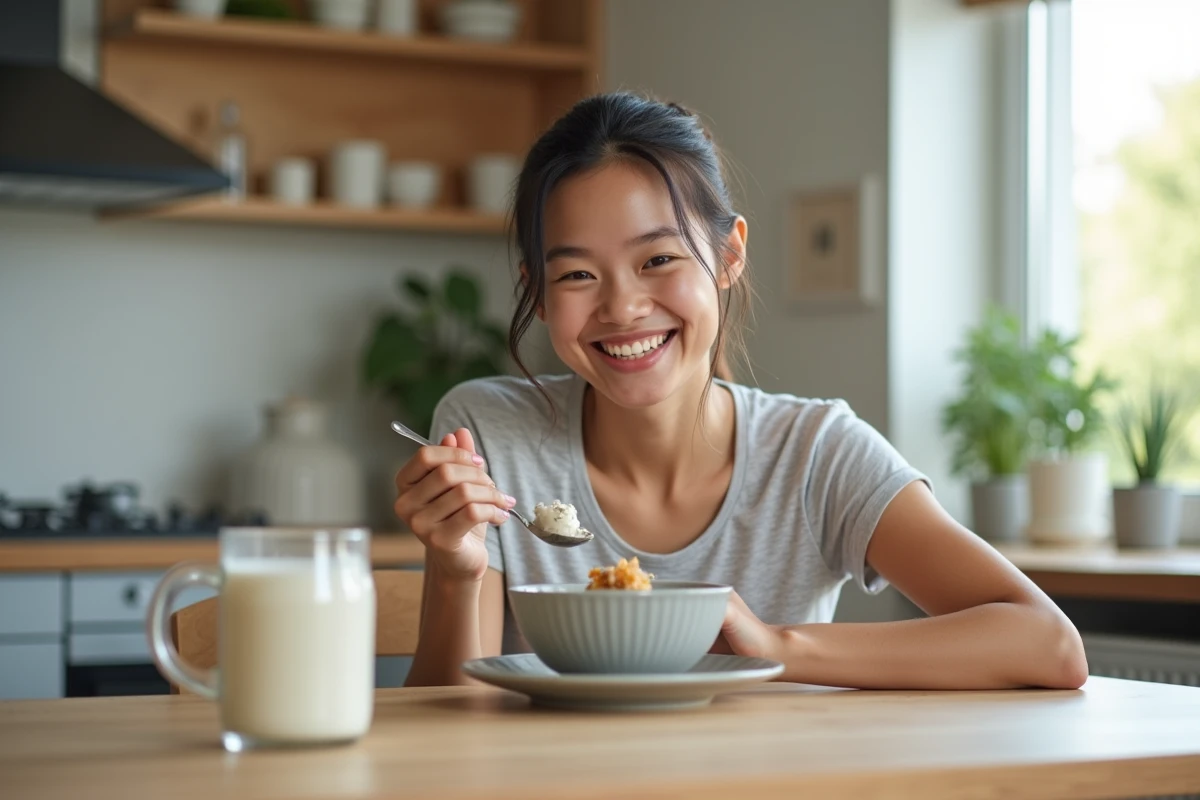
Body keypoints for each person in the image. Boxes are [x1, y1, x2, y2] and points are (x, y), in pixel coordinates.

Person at [393, 92, 1088, 690]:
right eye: (577, 275)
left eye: (658, 260)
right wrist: (457, 569)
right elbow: (452, 727)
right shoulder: (487, 434)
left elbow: (1049, 645)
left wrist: (775, 645)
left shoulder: (816, 453)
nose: (623, 307)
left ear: (728, 257)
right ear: (537, 294)